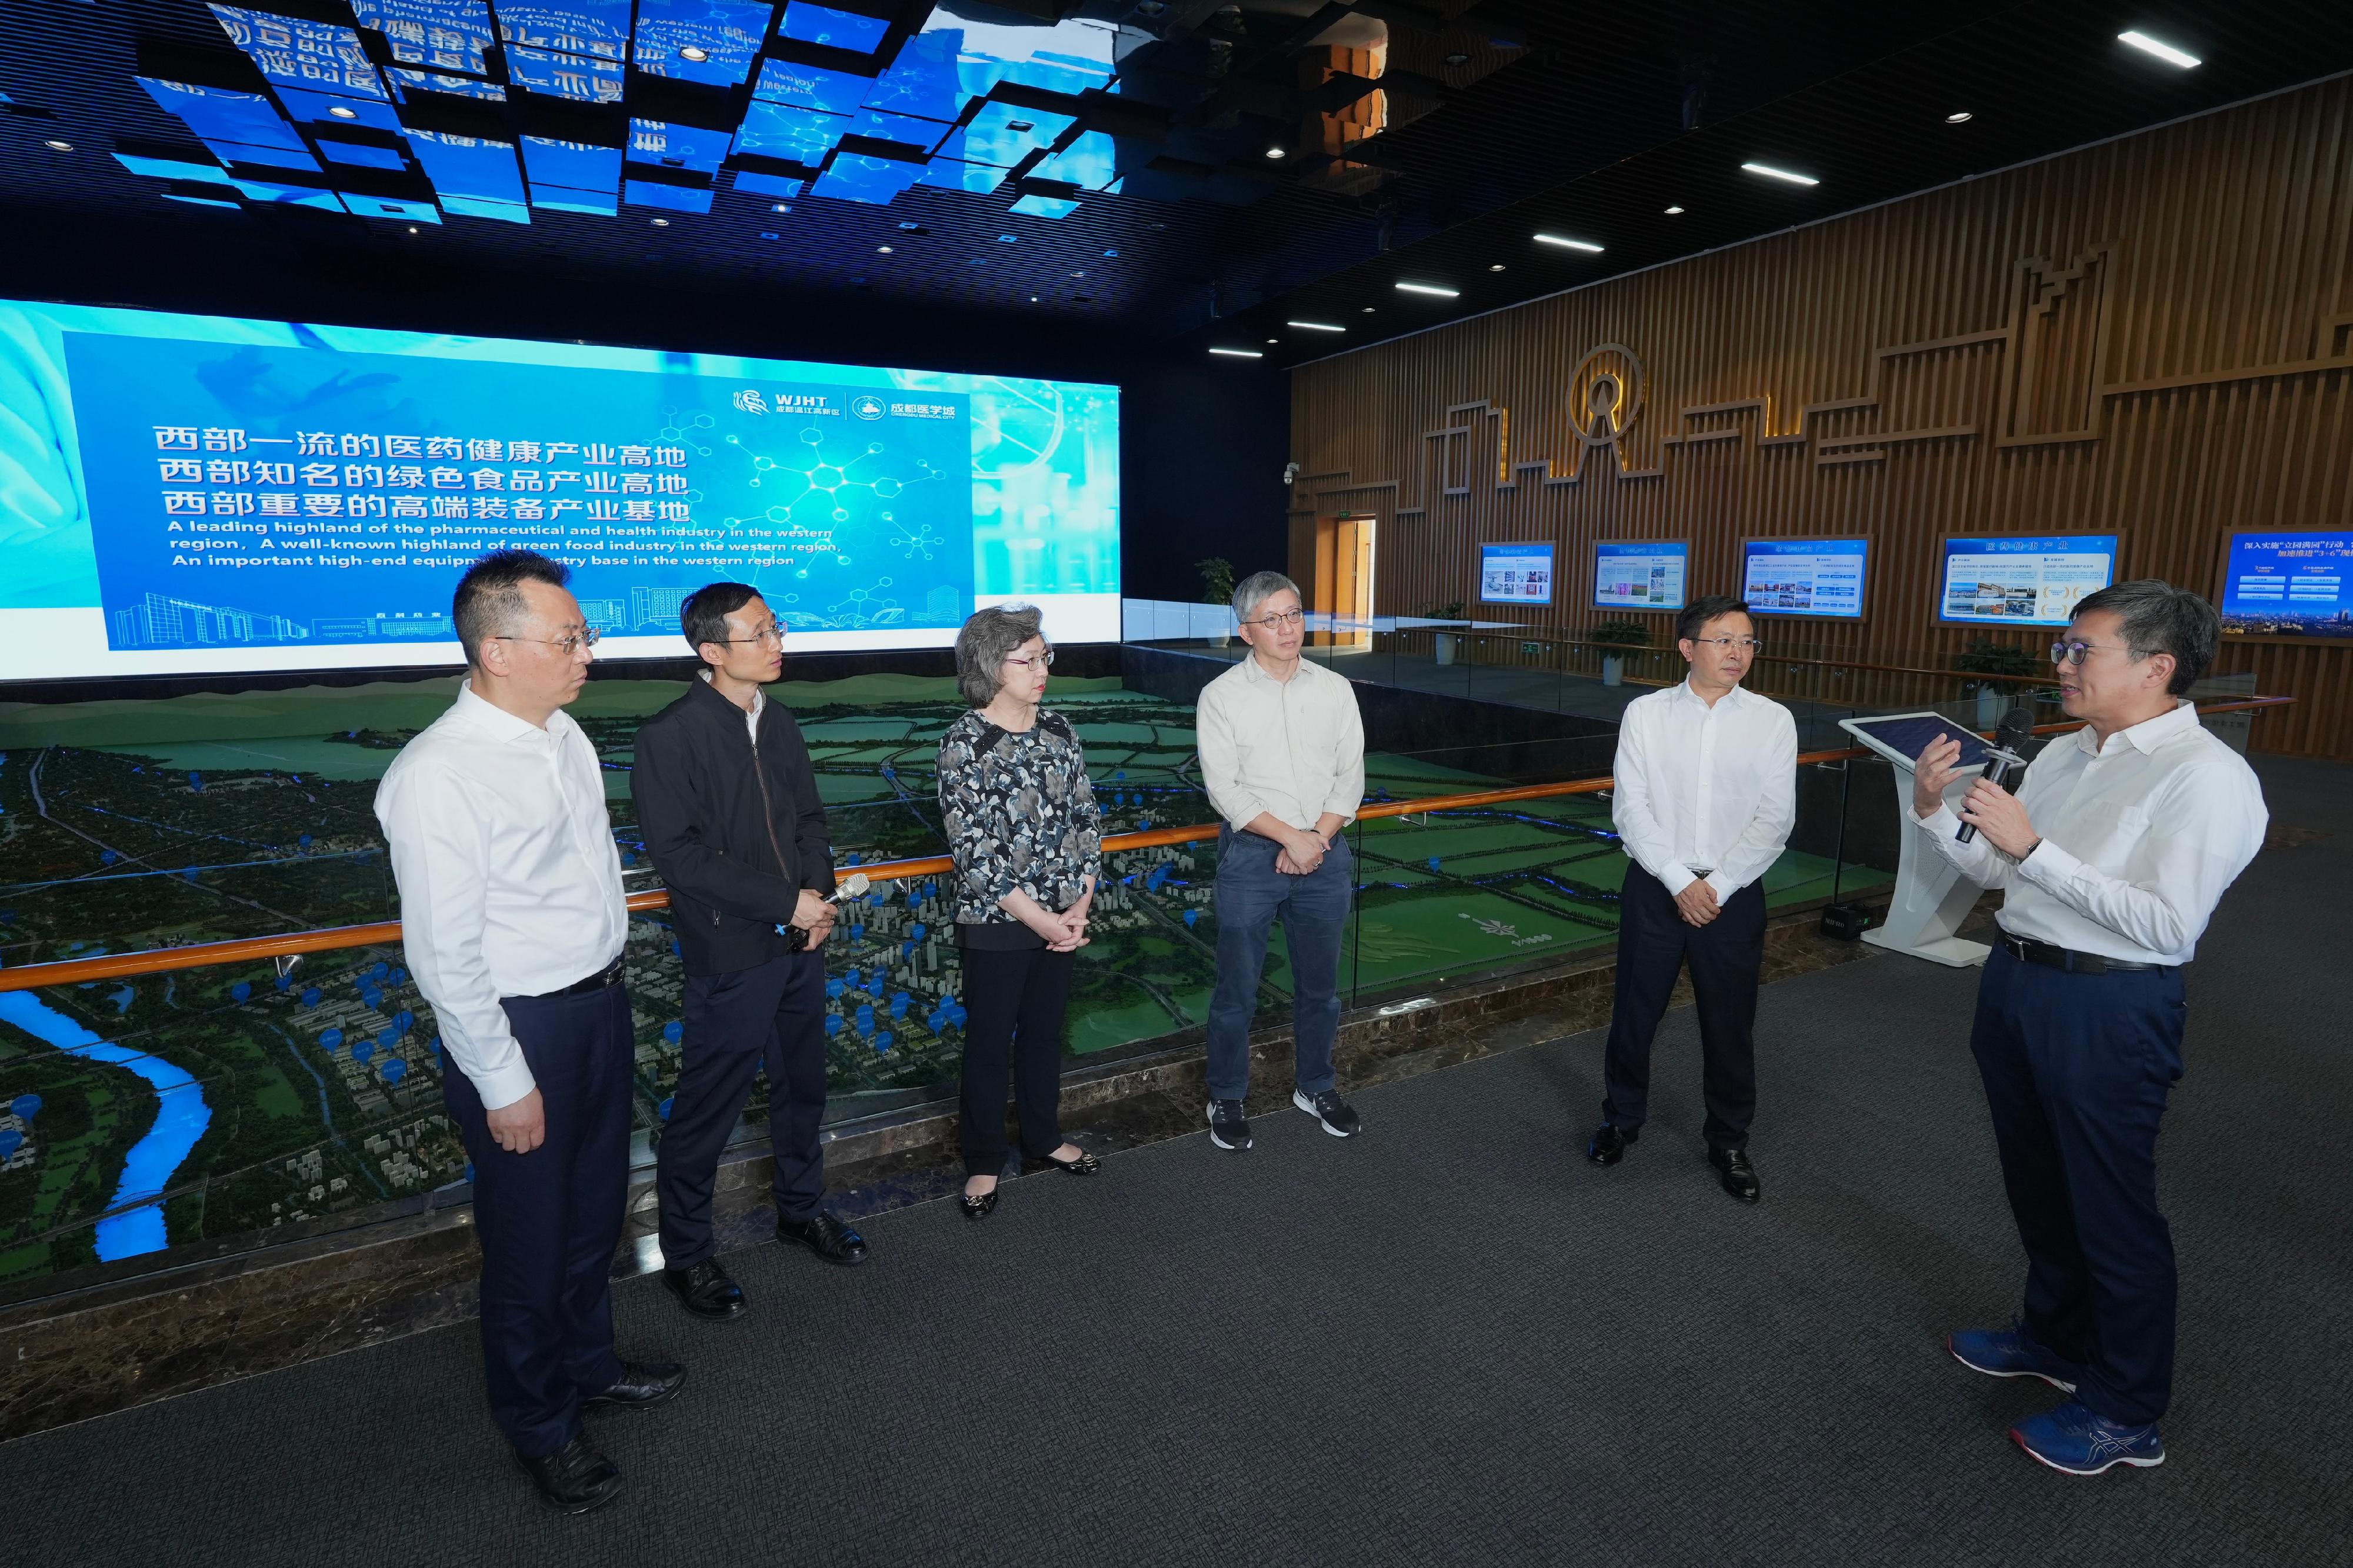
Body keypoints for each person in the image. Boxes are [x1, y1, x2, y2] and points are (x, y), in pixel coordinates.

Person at [1912, 579, 2265, 1475]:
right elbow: (2003, 875)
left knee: (2112, 1209)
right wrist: (1936, 811)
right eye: (2064, 646)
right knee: (2038, 1183)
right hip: (2019, 983)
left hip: (2111, 1006)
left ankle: (2128, 1407)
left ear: (2157, 667)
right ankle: (2056, 1337)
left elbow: (2168, 925)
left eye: (2081, 650)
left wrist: (2034, 848)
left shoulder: (2208, 777)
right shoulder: (2070, 755)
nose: (2060, 663)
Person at [374, 551, 683, 1516]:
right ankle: (541, 1424)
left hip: (597, 1005)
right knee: (528, 1241)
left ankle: (591, 1366)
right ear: (495, 649)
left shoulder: (566, 737)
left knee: (594, 1213)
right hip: (521, 1033)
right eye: (568, 639)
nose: (586, 653)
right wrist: (504, 1080)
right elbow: (445, 955)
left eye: (583, 635)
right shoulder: (436, 775)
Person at [631, 581, 867, 1323]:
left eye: (776, 628)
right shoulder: (671, 735)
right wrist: (783, 902)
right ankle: (689, 1253)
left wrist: (818, 899)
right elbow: (679, 857)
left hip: (801, 939)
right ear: (711, 651)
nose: (777, 642)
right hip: (731, 949)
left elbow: (808, 820)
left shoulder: (782, 720)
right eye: (760, 633)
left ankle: (802, 1209)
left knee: (803, 1088)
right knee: (709, 1106)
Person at [1586, 595, 1795, 1204]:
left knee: (1729, 1024)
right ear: (1687, 648)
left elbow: (1774, 820)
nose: (1739, 652)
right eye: (1724, 640)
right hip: (1656, 887)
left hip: (1733, 894)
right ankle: (1621, 1119)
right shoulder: (1646, 713)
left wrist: (1717, 886)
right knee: (1634, 1014)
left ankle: (1728, 1139)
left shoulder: (1771, 721)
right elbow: (1631, 809)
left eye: (1748, 641)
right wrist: (1680, 880)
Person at [936, 603, 1105, 1219]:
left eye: (1045, 656)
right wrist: (1038, 919)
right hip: (997, 921)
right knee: (987, 1044)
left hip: (1063, 917)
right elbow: (972, 849)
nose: (1043, 669)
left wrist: (1079, 905)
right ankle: (983, 1160)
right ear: (990, 664)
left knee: (1041, 1035)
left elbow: (1087, 821)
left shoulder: (1060, 729)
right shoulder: (965, 741)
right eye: (1027, 659)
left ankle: (1043, 1135)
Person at [1194, 571, 1366, 1152]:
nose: (1287, 627)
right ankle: (1226, 1093)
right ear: (1246, 630)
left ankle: (1316, 1084)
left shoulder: (1335, 688)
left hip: (1326, 853)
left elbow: (1352, 776)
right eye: (1272, 619)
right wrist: (1290, 837)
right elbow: (1226, 790)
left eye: (1293, 613)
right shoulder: (1220, 697)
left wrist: (1314, 837)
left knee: (1321, 989)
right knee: (1236, 989)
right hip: (1251, 857)